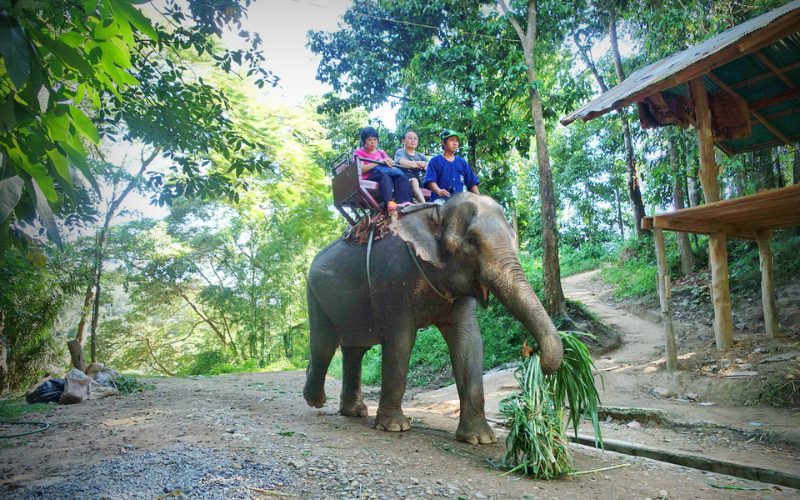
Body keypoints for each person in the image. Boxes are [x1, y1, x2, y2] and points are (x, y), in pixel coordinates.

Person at [354, 126, 412, 212]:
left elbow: (389, 165)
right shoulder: (359, 152)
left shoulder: (381, 152)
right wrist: (377, 162)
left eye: (375, 139)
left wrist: (391, 162)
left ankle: (405, 202)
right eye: (369, 140)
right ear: (364, 141)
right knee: (384, 176)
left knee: (402, 177)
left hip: (385, 174)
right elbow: (361, 169)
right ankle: (390, 202)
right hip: (370, 176)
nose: (372, 142)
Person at [423, 130, 480, 204]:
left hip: (459, 201)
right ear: (443, 143)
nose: (455, 143)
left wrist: (480, 199)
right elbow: (430, 181)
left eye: (457, 141)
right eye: (452, 140)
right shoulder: (435, 160)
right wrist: (438, 191)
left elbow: (472, 183)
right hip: (440, 200)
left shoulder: (462, 162)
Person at [393, 130, 428, 203]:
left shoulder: (420, 155)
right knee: (414, 181)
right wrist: (418, 164)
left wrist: (425, 165)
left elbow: (429, 166)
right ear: (403, 141)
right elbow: (403, 163)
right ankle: (425, 204)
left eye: (415, 139)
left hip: (417, 179)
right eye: (409, 138)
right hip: (404, 176)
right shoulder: (400, 152)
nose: (412, 140)